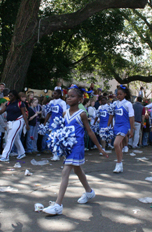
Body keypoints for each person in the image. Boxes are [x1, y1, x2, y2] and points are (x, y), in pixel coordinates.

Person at [42, 87, 108, 215]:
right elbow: (61, 129)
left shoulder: (82, 114)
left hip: (77, 145)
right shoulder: (65, 113)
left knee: (65, 171)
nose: (69, 98)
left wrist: (100, 148)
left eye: (72, 96)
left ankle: (58, 205)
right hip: (68, 146)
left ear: (80, 99)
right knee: (77, 170)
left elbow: (89, 131)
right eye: (68, 96)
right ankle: (89, 192)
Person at [0, 90, 29, 162]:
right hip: (10, 122)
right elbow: (2, 110)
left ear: (15, 96)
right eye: (9, 95)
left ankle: (5, 156)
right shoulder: (8, 103)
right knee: (15, 138)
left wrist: (26, 124)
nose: (9, 97)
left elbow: (24, 114)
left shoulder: (20, 103)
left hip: (18, 121)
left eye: (11, 95)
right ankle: (22, 152)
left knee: (9, 138)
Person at [107, 85, 135, 173]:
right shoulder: (114, 104)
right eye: (117, 94)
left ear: (125, 94)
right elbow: (111, 115)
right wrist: (107, 126)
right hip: (116, 126)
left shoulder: (128, 104)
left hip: (124, 126)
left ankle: (118, 163)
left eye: (120, 94)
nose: (118, 96)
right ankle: (120, 164)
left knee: (116, 144)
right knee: (119, 146)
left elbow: (131, 118)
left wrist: (131, 130)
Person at [43, 89, 67, 161]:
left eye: (55, 94)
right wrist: (45, 121)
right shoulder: (51, 102)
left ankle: (59, 154)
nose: (54, 95)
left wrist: (64, 122)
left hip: (59, 123)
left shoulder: (62, 102)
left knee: (58, 139)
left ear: (59, 95)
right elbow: (49, 112)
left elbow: (64, 113)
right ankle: (55, 154)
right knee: (52, 139)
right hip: (52, 123)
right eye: (53, 93)